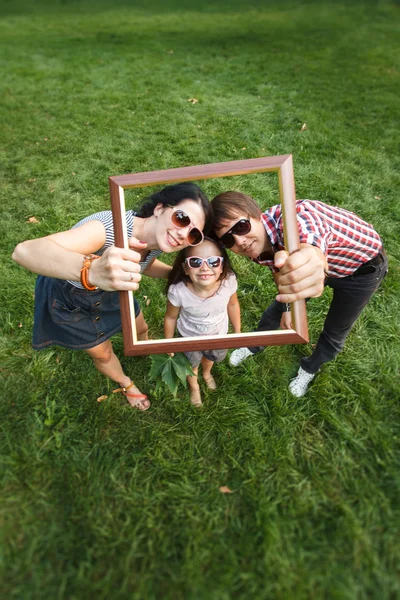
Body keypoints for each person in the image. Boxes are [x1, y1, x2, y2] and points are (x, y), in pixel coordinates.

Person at [12, 182, 212, 410]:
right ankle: (126, 384)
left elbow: (144, 264)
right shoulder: (107, 229)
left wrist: (177, 277)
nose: (183, 233)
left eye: (193, 233)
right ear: (159, 208)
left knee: (141, 328)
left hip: (113, 290)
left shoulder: (157, 239)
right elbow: (24, 252)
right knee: (103, 354)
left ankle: (143, 350)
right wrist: (91, 270)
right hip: (72, 299)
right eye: (182, 218)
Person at [211, 191, 388, 397]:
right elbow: (278, 269)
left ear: (257, 214)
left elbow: (310, 240)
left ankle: (309, 368)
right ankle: (254, 345)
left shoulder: (296, 216)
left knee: (335, 332)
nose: (239, 241)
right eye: (227, 239)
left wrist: (313, 257)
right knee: (275, 310)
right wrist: (290, 306)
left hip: (361, 272)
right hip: (310, 267)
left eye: (241, 226)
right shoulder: (255, 245)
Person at [164, 237, 241, 407]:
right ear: (185, 268)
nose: (205, 267)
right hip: (188, 337)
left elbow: (233, 304)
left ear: (222, 267)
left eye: (213, 261)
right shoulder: (178, 292)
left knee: (210, 357)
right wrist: (168, 343)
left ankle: (206, 373)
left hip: (218, 335)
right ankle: (195, 387)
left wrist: (237, 331)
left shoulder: (228, 283)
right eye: (196, 261)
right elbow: (170, 317)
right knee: (191, 365)